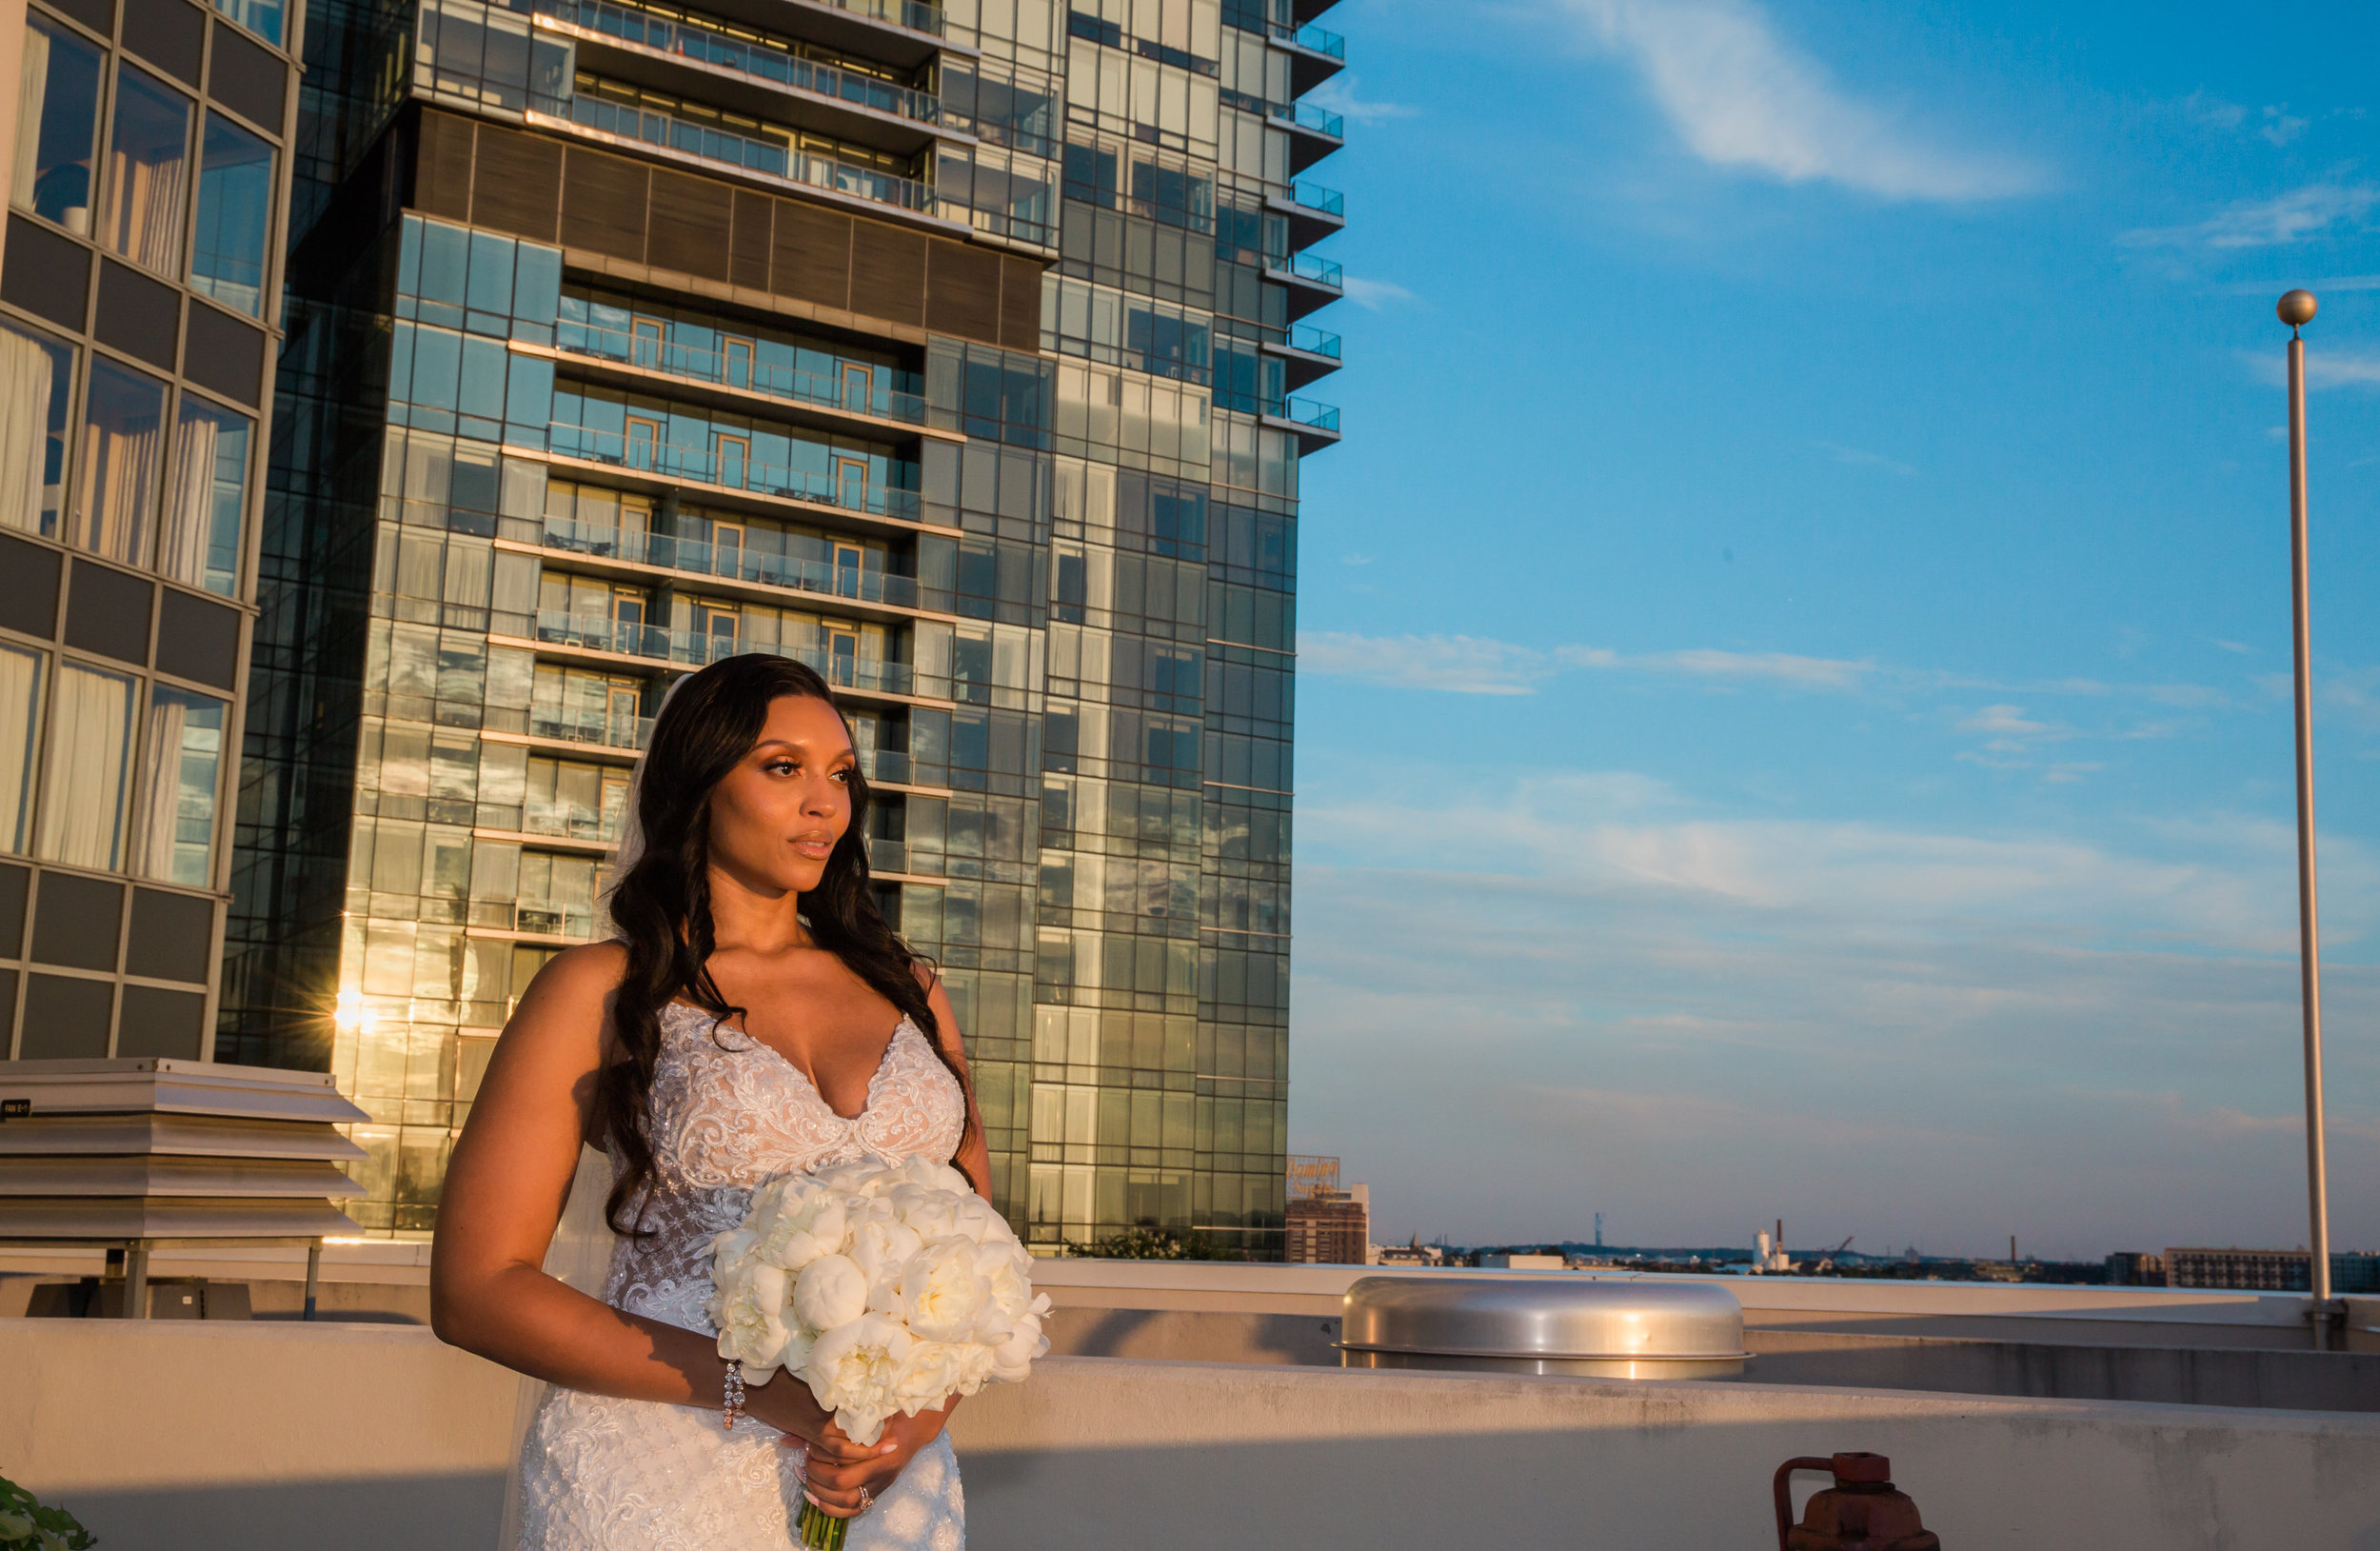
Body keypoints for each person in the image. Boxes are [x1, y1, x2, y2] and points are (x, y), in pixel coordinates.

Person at [430, 654, 990, 1550]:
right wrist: (764, 1390)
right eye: (783, 767)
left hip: (882, 1482)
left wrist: (914, 1423)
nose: (826, 803)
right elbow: (475, 1289)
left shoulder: (913, 988)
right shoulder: (600, 990)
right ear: (700, 783)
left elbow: (977, 1253)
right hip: (657, 1473)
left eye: (841, 774)